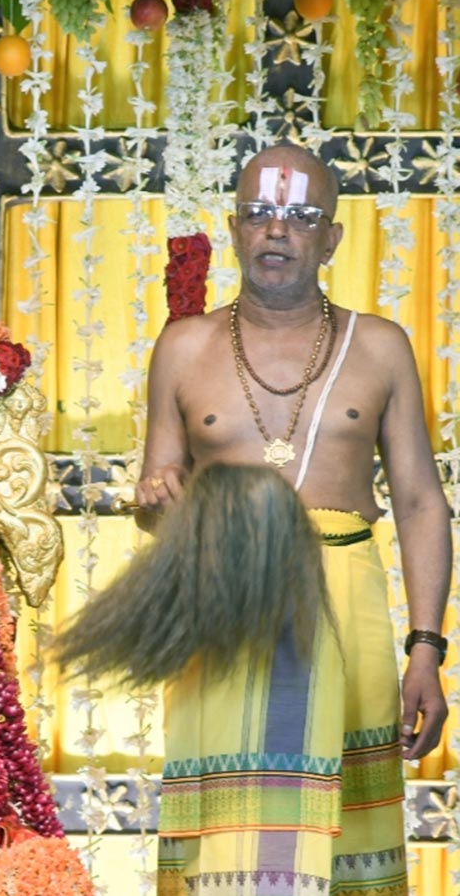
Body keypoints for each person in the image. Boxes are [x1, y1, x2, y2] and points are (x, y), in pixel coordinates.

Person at [133, 143, 451, 894]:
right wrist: (155, 502)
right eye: (260, 214)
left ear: (331, 237)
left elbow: (418, 501)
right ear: (237, 229)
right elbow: (154, 502)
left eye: (301, 216)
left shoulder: (380, 346)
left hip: (347, 598)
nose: (277, 231)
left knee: (344, 836)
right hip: (223, 603)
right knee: (228, 840)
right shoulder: (183, 347)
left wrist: (427, 651)